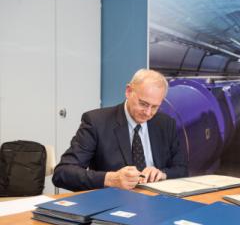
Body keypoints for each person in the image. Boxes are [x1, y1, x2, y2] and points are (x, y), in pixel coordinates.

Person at [53, 69, 188, 191]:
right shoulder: (96, 122)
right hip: (113, 202)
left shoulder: (165, 123)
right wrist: (111, 179)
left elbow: (182, 169)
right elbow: (63, 173)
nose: (148, 113)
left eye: (154, 107)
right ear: (128, 91)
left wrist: (163, 174)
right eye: (143, 104)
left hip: (158, 201)